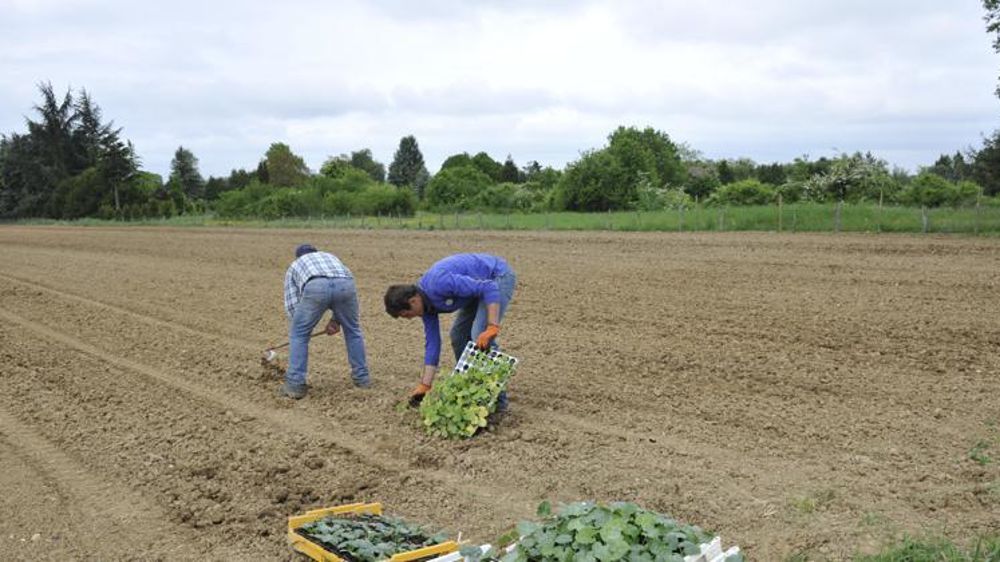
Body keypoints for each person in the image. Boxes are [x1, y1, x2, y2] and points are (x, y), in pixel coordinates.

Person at [383, 253, 516, 409]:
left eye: (406, 314)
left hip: (496, 277)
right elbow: (433, 344)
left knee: (480, 334)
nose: (409, 318)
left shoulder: (438, 284)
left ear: (413, 301)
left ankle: (499, 402)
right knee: (458, 336)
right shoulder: (426, 306)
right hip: (477, 287)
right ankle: (473, 385)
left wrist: (492, 326)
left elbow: (488, 287)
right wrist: (425, 385)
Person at [280, 243, 370, 399]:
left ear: (299, 256)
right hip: (345, 285)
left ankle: (295, 385)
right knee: (353, 331)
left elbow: (292, 303)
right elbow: (346, 279)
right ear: (316, 252)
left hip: (315, 286)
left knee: (298, 335)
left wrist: (301, 327)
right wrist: (337, 320)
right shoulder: (330, 257)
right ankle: (362, 379)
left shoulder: (295, 265)